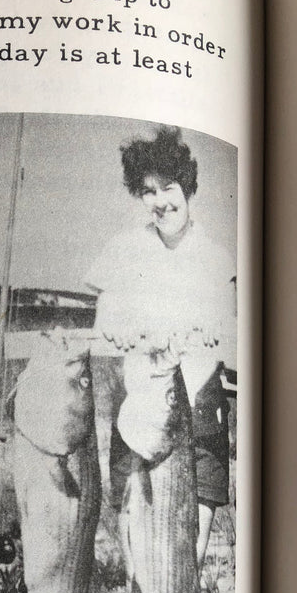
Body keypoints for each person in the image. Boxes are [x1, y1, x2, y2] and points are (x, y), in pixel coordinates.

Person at [85, 126, 236, 568]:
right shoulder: (124, 251)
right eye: (148, 191)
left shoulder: (217, 258)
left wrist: (218, 335)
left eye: (167, 186)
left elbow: (232, 340)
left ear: (187, 187)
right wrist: (117, 330)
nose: (159, 201)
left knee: (184, 566)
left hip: (200, 417)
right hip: (138, 419)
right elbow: (103, 327)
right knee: (141, 570)